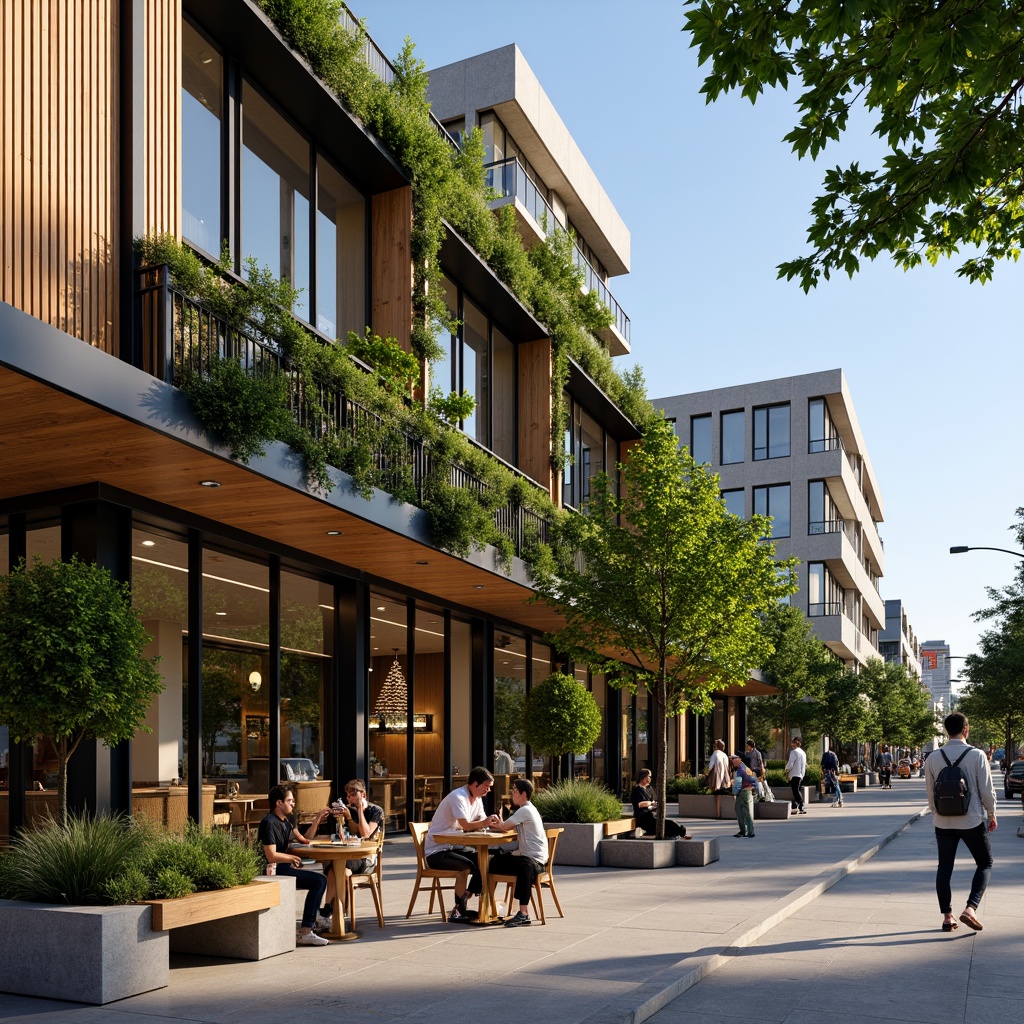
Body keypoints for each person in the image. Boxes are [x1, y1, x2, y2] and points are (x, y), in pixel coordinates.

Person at [924, 712, 997, 932]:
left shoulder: (933, 758)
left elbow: (930, 794)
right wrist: (992, 814)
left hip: (943, 822)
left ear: (946, 730)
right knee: (985, 863)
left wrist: (937, 813)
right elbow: (986, 790)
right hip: (971, 820)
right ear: (966, 729)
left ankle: (948, 917)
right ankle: (971, 909)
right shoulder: (977, 755)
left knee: (944, 867)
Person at [424, 766, 502, 922]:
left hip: (454, 846)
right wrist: (485, 822)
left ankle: (469, 896)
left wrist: (498, 824)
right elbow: (466, 825)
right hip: (436, 852)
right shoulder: (458, 797)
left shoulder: (477, 799)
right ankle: (458, 911)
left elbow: (481, 823)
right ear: (474, 784)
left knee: (487, 860)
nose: (488, 790)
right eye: (486, 787)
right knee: (466, 867)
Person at [258, 784, 331, 946]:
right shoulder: (268, 823)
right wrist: (291, 858)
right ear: (279, 803)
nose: (293, 804)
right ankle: (306, 930)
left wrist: (318, 819)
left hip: (282, 866)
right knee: (319, 881)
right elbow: (271, 856)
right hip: (271, 869)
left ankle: (311, 925)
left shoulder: (287, 821)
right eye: (289, 801)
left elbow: (305, 839)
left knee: (320, 880)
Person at [314, 779, 384, 930]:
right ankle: (328, 911)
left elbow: (365, 834)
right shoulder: (348, 810)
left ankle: (327, 912)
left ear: (363, 794)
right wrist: (343, 819)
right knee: (334, 866)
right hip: (349, 857)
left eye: (353, 795)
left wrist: (359, 810)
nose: (350, 799)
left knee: (335, 864)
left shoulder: (375, 811)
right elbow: (346, 835)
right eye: (348, 796)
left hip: (366, 860)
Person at [486, 778, 549, 927]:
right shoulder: (528, 810)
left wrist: (492, 821)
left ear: (523, 794)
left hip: (533, 862)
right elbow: (509, 827)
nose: (512, 794)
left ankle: (523, 913)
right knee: (493, 861)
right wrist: (501, 823)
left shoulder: (525, 810)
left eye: (514, 791)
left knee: (519, 865)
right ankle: (488, 905)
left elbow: (504, 827)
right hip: (535, 859)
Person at [630, 768, 687, 838]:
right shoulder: (637, 790)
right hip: (644, 817)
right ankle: (678, 833)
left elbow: (654, 801)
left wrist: (652, 804)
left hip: (652, 814)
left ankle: (678, 833)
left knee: (671, 823)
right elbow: (639, 804)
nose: (650, 779)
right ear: (644, 777)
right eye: (649, 777)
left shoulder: (649, 789)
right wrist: (650, 803)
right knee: (669, 824)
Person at [729, 754, 757, 837]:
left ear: (739, 759)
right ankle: (748, 831)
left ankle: (745, 831)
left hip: (743, 792)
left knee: (740, 811)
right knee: (747, 812)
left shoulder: (740, 770)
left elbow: (738, 784)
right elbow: (754, 779)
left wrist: (734, 792)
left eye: (733, 759)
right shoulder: (745, 768)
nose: (732, 761)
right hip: (749, 791)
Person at [705, 739, 731, 819]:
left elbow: (711, 766)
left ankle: (717, 813)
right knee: (720, 793)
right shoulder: (725, 755)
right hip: (724, 777)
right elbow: (727, 766)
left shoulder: (715, 754)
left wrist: (705, 774)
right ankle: (720, 812)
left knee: (716, 794)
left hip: (716, 776)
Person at [785, 737, 808, 813]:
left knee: (795, 790)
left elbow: (790, 764)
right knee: (798, 790)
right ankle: (798, 805)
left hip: (794, 773)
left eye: (792, 742)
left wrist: (786, 770)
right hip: (801, 774)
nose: (791, 744)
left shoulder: (794, 752)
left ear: (795, 743)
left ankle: (801, 804)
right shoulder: (803, 752)